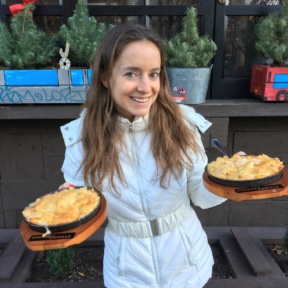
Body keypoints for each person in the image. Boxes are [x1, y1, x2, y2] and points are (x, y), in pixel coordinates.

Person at [60, 22, 227, 288]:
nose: (145, 87)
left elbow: (199, 194)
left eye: (153, 74)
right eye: (131, 74)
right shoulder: (81, 137)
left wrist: (228, 182)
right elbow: (83, 205)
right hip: (127, 273)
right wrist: (67, 205)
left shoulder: (182, 126)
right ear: (105, 76)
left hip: (187, 265)